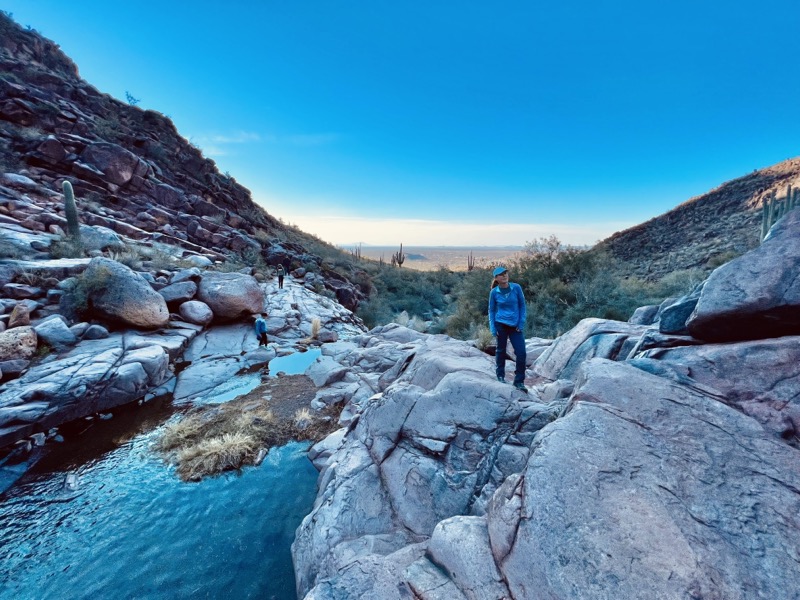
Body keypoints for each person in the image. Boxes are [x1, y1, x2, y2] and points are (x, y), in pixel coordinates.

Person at [488, 266, 528, 392]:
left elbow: (522, 306)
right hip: (501, 324)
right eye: (501, 274)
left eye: (505, 273)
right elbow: (491, 310)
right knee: (500, 350)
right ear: (496, 278)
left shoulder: (516, 287)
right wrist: (493, 328)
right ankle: (500, 375)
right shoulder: (494, 292)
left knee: (521, 353)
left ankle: (519, 381)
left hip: (515, 326)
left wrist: (521, 323)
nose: (504, 276)